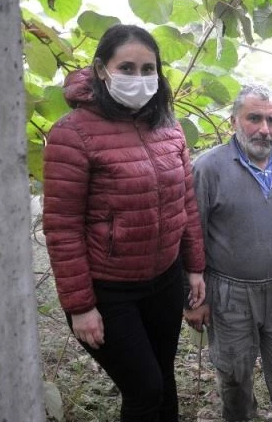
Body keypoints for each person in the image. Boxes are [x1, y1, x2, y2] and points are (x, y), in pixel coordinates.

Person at [42, 24, 206, 421]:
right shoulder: (72, 133)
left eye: (148, 69)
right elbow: (62, 227)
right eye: (127, 68)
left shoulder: (168, 126)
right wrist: (81, 307)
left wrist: (195, 268)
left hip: (164, 280)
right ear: (102, 69)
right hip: (109, 290)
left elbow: (185, 202)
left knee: (163, 380)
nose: (139, 78)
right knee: (144, 390)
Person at [184, 85, 272, 422]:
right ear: (234, 120)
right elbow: (191, 235)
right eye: (254, 118)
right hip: (228, 292)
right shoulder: (207, 167)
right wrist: (194, 298)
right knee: (234, 372)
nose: (264, 128)